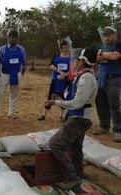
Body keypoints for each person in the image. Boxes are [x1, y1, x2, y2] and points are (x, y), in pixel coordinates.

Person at [46, 48, 98, 188]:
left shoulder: (86, 78)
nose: (73, 62)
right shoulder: (83, 76)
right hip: (79, 117)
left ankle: (72, 176)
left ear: (82, 61)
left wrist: (57, 102)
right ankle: (78, 173)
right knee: (76, 147)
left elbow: (78, 103)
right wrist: (60, 99)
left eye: (76, 59)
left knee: (55, 144)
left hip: (79, 118)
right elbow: (77, 99)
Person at [0, 29, 27, 119]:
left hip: (16, 74)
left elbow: (25, 64)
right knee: (0, 93)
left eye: (15, 37)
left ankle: (12, 113)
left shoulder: (21, 49)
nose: (13, 39)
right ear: (8, 38)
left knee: (14, 94)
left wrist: (21, 74)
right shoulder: (2, 49)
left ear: (17, 38)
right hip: (5, 74)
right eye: (11, 37)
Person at [93, 26, 121, 142]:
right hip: (101, 78)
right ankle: (104, 126)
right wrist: (105, 56)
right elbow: (95, 58)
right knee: (101, 103)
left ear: (115, 34)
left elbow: (115, 56)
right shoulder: (101, 46)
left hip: (114, 79)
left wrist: (102, 55)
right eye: (105, 35)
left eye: (109, 35)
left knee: (114, 105)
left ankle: (118, 130)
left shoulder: (119, 45)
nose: (107, 37)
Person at [38, 40, 70, 122]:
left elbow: (72, 70)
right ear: (60, 48)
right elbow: (51, 66)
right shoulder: (56, 56)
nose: (65, 50)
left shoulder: (71, 58)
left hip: (65, 82)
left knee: (63, 99)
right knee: (50, 97)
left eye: (66, 48)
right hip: (55, 81)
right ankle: (43, 115)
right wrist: (60, 71)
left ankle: (61, 117)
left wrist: (65, 75)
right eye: (63, 48)